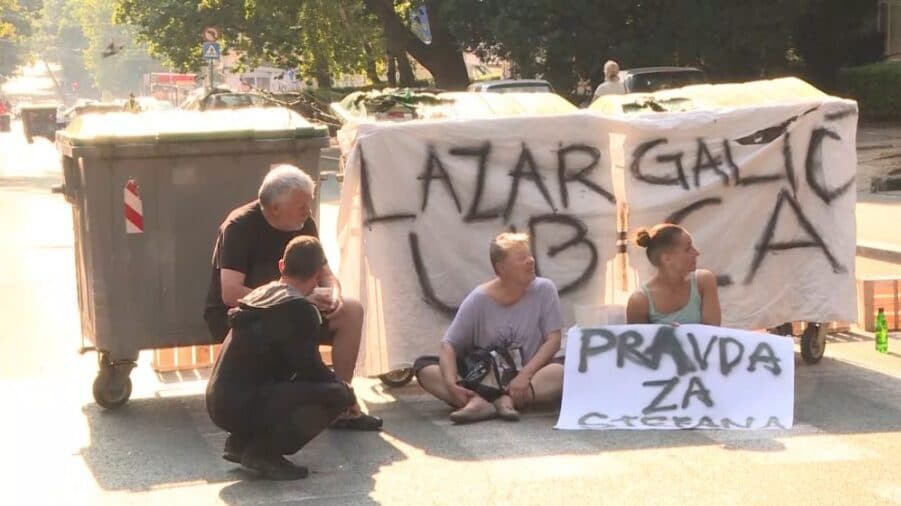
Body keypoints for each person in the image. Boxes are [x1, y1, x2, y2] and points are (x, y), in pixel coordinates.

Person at [204, 164, 381, 431]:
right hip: (249, 314)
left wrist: (333, 296)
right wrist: (295, 302)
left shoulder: (304, 224)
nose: (308, 212)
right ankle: (325, 398)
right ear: (275, 208)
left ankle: (341, 404)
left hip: (298, 308)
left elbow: (326, 274)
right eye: (301, 206)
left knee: (352, 310)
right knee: (296, 331)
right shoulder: (239, 227)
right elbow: (230, 292)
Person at [206, 236, 357, 480]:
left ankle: (241, 443)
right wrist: (346, 390)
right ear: (317, 274)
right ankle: (263, 453)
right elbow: (310, 369)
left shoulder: (262, 294)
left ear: (281, 266)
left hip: (219, 401)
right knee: (335, 395)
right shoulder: (299, 310)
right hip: (241, 404)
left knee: (285, 385)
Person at [413, 232, 565, 424]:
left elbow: (554, 340)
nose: (531, 261)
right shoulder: (479, 299)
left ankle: (502, 401)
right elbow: (448, 345)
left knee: (563, 370)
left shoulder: (545, 289)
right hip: (485, 379)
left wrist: (524, 376)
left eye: (530, 255)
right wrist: (452, 384)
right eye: (521, 258)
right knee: (424, 367)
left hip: (530, 375)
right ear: (501, 268)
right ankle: (480, 401)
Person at [626, 224, 722, 325]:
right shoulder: (640, 301)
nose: (696, 253)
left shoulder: (703, 282)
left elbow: (711, 331)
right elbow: (638, 335)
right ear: (667, 259)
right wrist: (665, 332)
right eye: (688, 249)